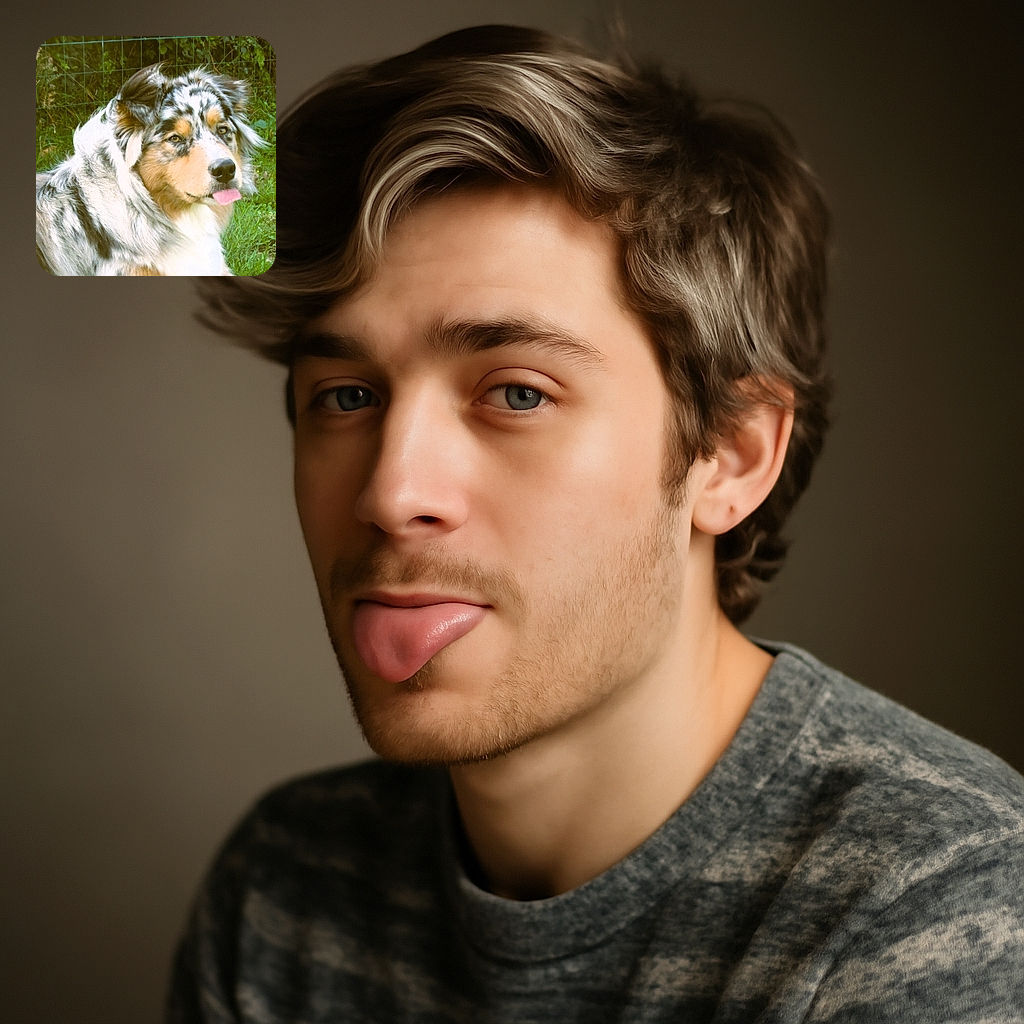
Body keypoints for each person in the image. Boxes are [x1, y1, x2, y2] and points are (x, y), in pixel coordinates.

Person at [168, 24, 1024, 1022]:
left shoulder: (943, 909)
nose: (390, 492)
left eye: (518, 394)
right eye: (347, 396)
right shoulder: (285, 888)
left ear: (733, 454)